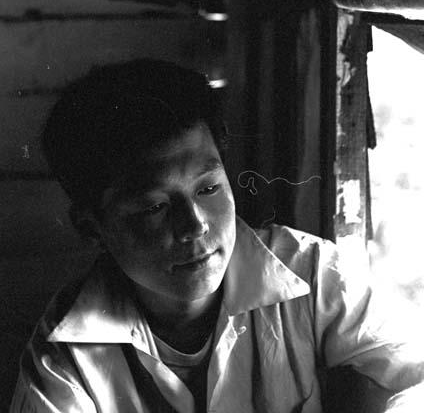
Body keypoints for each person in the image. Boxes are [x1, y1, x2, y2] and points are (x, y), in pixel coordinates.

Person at [10, 59, 424, 412]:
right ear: (92, 226)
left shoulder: (314, 276)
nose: (195, 225)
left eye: (208, 189)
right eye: (155, 207)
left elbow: (414, 380)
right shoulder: (63, 355)